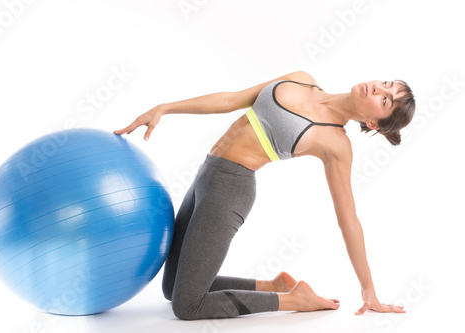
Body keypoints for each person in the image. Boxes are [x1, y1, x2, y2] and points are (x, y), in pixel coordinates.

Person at [114, 71, 415, 320]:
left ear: (373, 124)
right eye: (386, 84)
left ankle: (294, 300)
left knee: (187, 306)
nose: (378, 88)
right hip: (206, 174)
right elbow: (231, 99)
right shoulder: (302, 78)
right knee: (171, 288)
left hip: (230, 190)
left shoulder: (336, 144)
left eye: (385, 99)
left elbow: (348, 221)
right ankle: (275, 285)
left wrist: (368, 289)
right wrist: (164, 108)